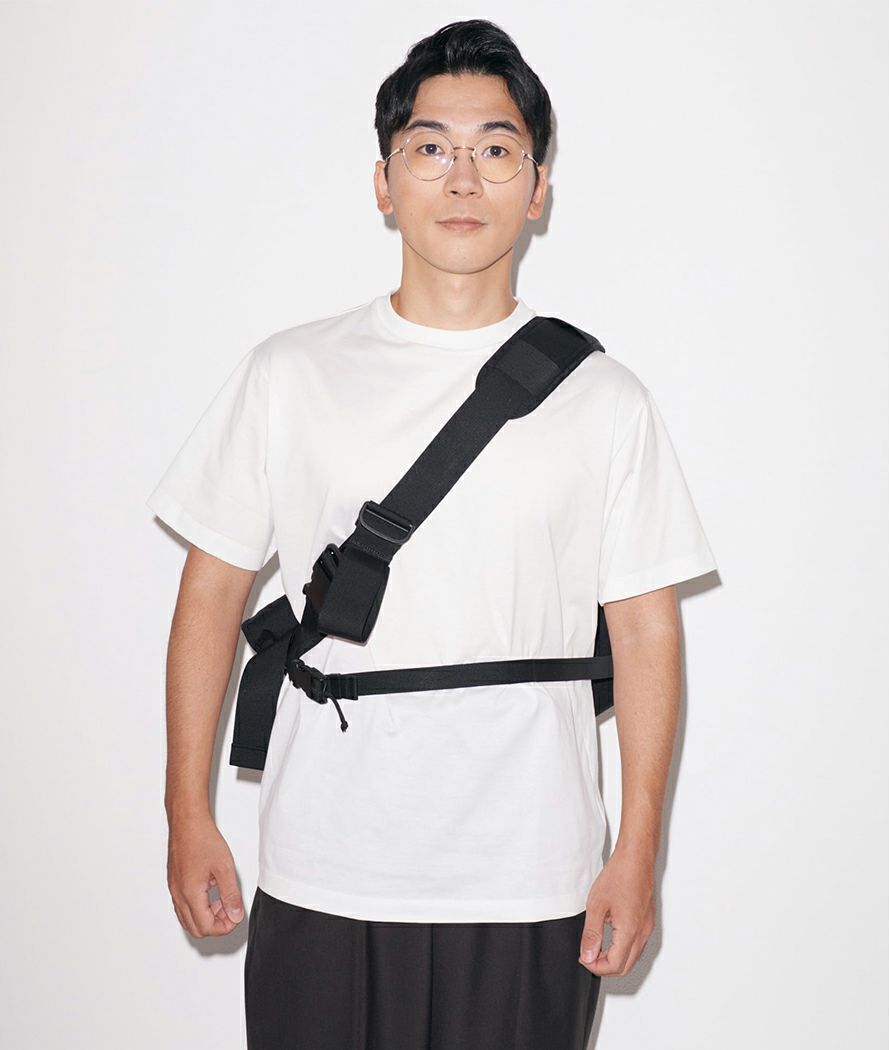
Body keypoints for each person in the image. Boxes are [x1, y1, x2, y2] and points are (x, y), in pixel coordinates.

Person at [147, 18, 718, 1050]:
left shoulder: (605, 401)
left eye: (497, 149)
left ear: (537, 188)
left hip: (531, 867)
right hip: (326, 859)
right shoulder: (290, 373)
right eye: (430, 148)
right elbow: (209, 595)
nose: (463, 178)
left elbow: (645, 633)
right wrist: (188, 814)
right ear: (384, 181)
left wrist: (638, 852)